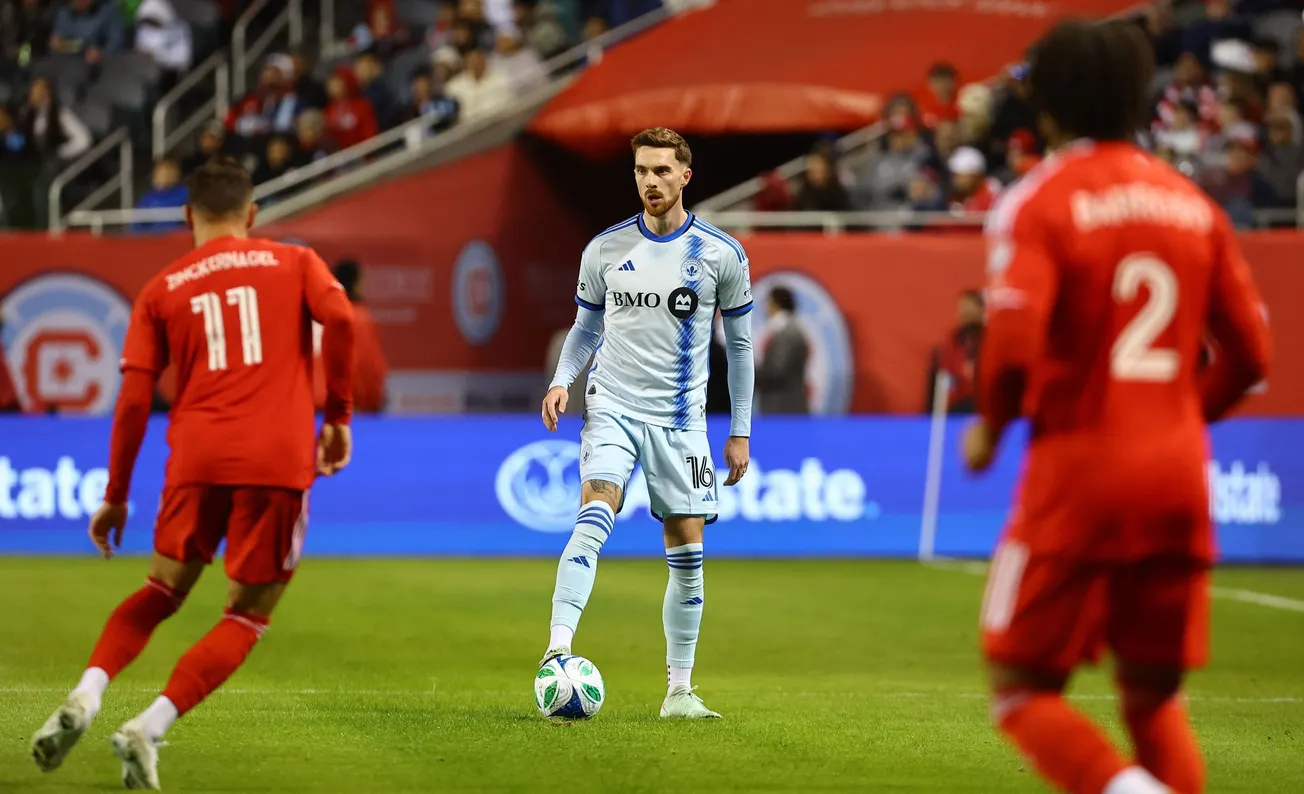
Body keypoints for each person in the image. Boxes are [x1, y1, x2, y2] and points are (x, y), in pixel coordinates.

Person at [962, 20, 1271, 794]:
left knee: (1019, 685)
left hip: (1080, 472)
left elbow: (1012, 344)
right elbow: (1254, 356)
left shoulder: (1038, 201)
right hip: (1178, 477)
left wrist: (991, 429)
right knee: (1153, 696)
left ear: (1049, 102)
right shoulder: (1192, 205)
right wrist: (1181, 417)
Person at [29, 156, 356, 790]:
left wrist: (116, 496)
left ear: (188, 216)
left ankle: (87, 695)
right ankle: (147, 728)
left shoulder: (163, 287)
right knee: (248, 615)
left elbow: (131, 401)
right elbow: (340, 319)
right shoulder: (294, 261)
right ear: (252, 214)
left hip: (197, 457)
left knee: (161, 591)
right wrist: (337, 415)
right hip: (276, 460)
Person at [540, 127, 754, 719]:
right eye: (641, 171)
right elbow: (585, 327)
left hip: (682, 422)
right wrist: (564, 380)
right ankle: (558, 652)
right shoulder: (605, 249)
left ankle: (679, 692)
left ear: (686, 176)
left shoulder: (720, 254)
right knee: (596, 508)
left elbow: (740, 348)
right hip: (610, 404)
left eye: (661, 171)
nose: (650, 182)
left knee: (687, 551)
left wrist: (740, 430)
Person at [755, 286, 809, 414]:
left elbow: (777, 370)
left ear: (774, 303)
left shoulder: (788, 332)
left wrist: (745, 374)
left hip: (784, 408)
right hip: (781, 407)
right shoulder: (784, 329)